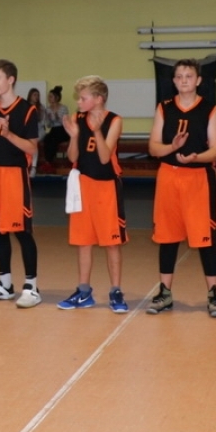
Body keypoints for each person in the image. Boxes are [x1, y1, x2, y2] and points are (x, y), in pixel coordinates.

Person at [146, 59, 216, 317]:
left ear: (198, 80)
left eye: (189, 76)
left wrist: (195, 157)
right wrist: (173, 147)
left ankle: (214, 294)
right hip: (169, 176)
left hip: (199, 178)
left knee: (206, 238)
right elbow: (153, 147)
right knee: (167, 236)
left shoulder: (209, 109)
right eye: (179, 76)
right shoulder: (164, 108)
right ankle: (165, 292)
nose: (183, 80)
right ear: (173, 81)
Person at [0, 59, 43, 309]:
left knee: (22, 231)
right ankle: (4, 284)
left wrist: (7, 134)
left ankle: (32, 287)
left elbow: (32, 148)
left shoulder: (27, 110)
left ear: (10, 79)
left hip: (15, 175)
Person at [58, 76, 128, 312]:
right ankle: (83, 291)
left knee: (111, 243)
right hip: (83, 186)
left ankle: (115, 291)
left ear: (98, 99)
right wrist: (74, 136)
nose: (78, 102)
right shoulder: (77, 119)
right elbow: (72, 157)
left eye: (83, 98)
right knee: (83, 241)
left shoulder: (114, 120)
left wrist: (96, 131)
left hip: (107, 188)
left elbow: (105, 157)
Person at [40, 85, 70, 170]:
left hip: (63, 130)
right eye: (48, 96)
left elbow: (66, 122)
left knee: (54, 139)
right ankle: (48, 162)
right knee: (47, 139)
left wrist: (57, 118)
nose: (49, 98)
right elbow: (49, 125)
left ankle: (49, 162)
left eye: (51, 96)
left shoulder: (63, 108)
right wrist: (49, 118)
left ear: (56, 98)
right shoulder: (48, 109)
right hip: (54, 130)